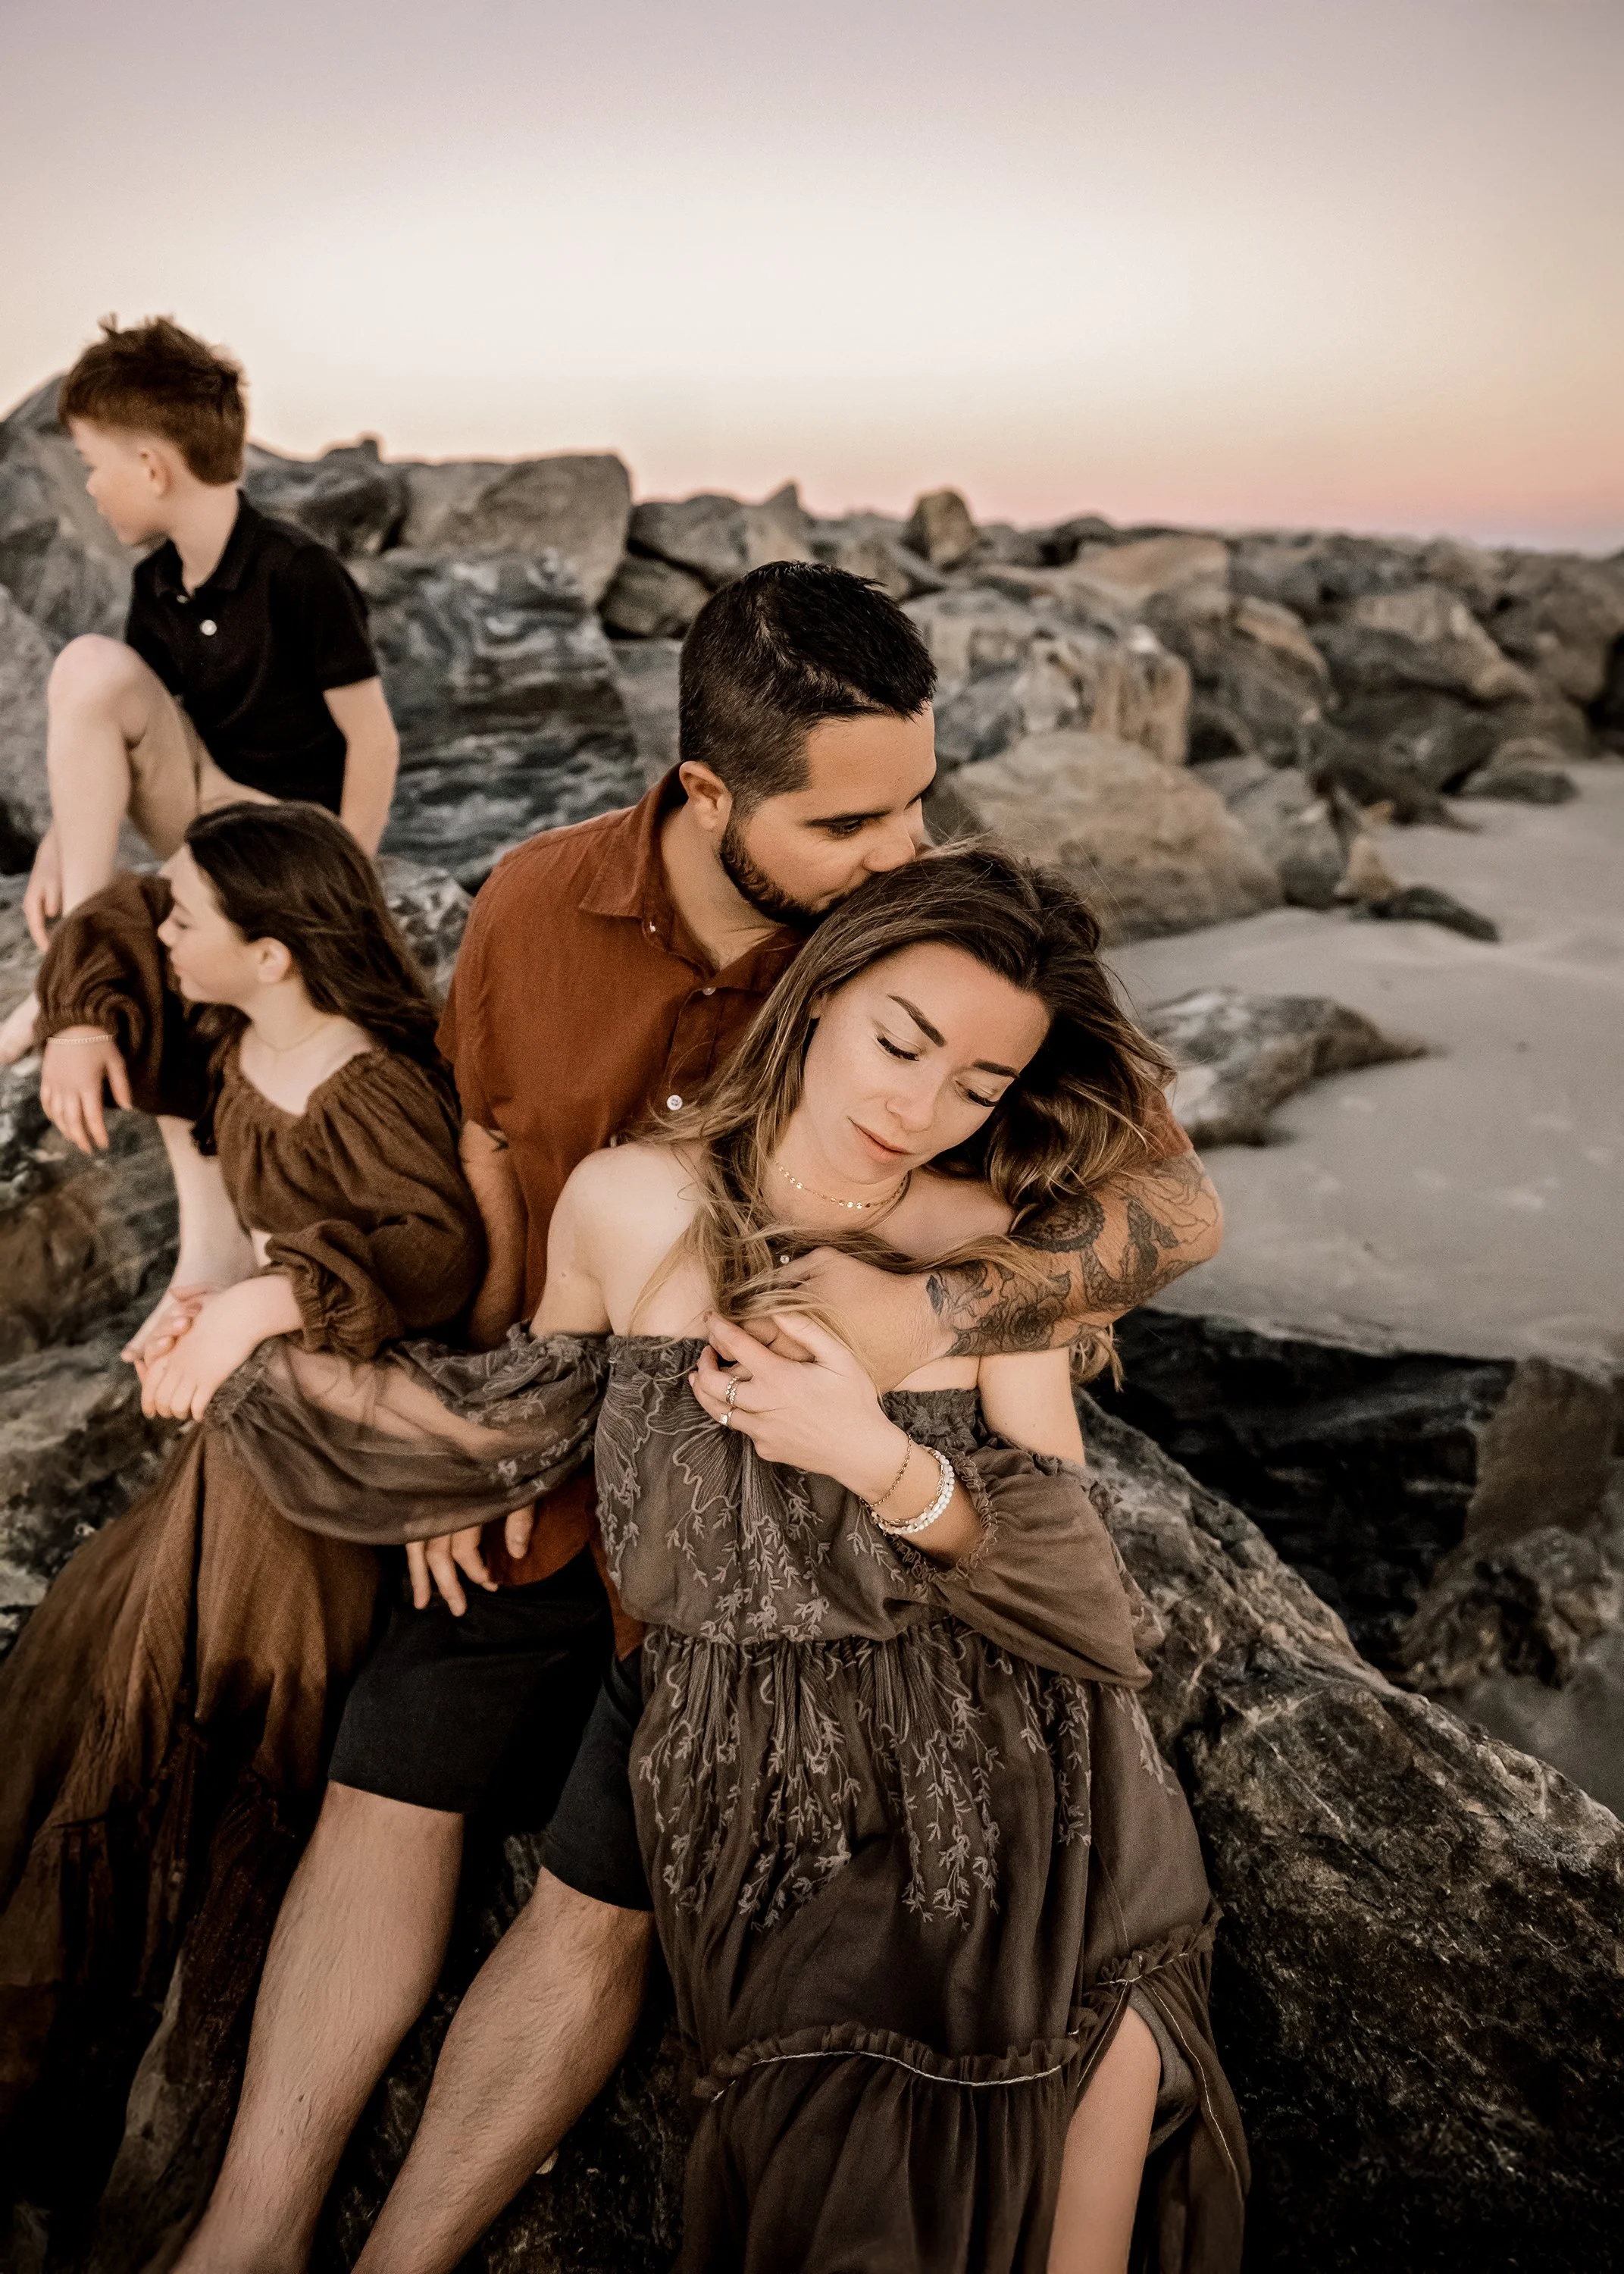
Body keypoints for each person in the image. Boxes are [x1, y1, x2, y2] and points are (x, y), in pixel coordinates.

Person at [186, 563, 1225, 2274]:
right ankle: (244, 2233)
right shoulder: (536, 905)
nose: (901, 848)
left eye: (920, 800)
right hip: (602, 1465)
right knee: (394, 1752)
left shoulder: (919, 939)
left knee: (612, 1889)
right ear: (709, 792)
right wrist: (470, 1429)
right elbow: (494, 1181)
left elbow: (1164, 1212)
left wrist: (920, 1322)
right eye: (852, 821)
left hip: (814, 1584)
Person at [0, 803, 487, 2210]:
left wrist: (263, 1304)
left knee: (212, 1712)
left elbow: (436, 1256)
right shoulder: (232, 1037)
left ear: (272, 953)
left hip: (324, 1474)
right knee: (104, 1670)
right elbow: (111, 916)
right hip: (253, 1433)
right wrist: (79, 1022)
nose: (165, 933)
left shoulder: (368, 1084)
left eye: (191, 923)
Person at [0, 316, 400, 1067]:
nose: (89, 487)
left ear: (152, 468)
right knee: (90, 668)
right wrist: (57, 846)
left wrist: (344, 887)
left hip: (295, 835)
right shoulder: (157, 583)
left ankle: (73, 976)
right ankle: (80, 957)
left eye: (92, 465)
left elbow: (373, 740)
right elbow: (108, 719)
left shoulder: (298, 572)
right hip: (211, 805)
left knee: (89, 668)